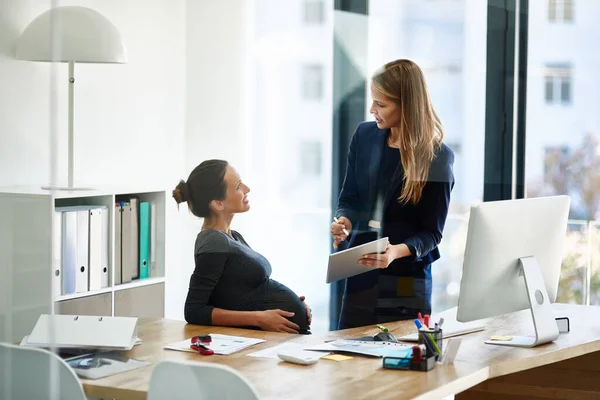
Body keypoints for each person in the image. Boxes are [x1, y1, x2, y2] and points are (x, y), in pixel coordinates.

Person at [331, 59, 455, 329]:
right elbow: (349, 198)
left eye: (381, 104)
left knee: (400, 363)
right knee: (347, 356)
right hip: (361, 274)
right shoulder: (364, 136)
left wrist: (395, 252)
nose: (372, 110)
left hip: (407, 281)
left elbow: (432, 233)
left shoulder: (437, 158)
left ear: (406, 105)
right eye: (373, 101)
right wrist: (344, 221)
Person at [174, 160, 311, 333]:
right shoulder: (213, 241)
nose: (247, 189)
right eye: (238, 186)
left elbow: (236, 294)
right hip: (258, 343)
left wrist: (294, 305)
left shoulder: (233, 237)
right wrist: (260, 318)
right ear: (218, 203)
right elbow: (194, 310)